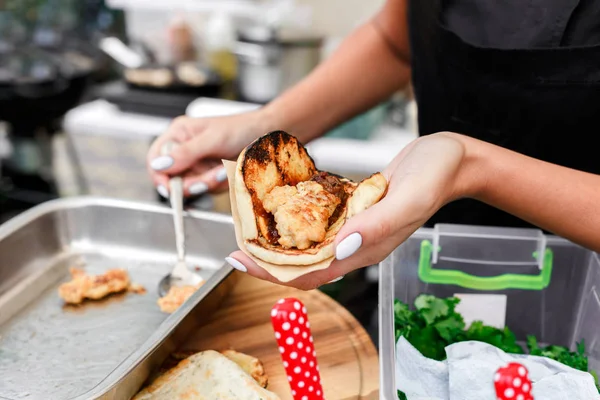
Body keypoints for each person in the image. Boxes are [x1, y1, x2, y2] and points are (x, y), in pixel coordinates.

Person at [147, 0, 600, 287]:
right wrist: (268, 129)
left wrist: (472, 166)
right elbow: (395, 41)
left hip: (581, 293)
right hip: (428, 254)